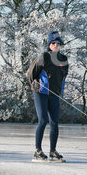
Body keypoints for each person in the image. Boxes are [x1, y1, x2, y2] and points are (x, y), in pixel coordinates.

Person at [26, 30, 69, 162]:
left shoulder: (63, 59)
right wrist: (35, 85)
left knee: (55, 122)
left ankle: (52, 151)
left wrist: (60, 91)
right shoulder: (43, 57)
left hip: (54, 94)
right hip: (41, 93)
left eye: (58, 43)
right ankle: (37, 150)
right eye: (53, 43)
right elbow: (30, 74)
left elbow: (63, 77)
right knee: (43, 120)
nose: (56, 45)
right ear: (49, 44)